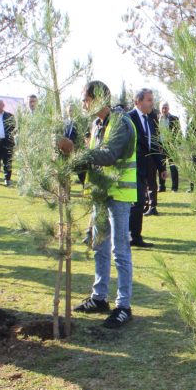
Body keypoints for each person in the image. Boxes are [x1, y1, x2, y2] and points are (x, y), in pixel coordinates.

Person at [60, 81, 138, 329]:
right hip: (100, 195)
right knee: (99, 248)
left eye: (85, 99)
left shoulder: (120, 122)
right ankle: (99, 298)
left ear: (99, 99)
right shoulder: (96, 125)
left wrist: (77, 151)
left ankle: (123, 306)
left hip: (119, 195)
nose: (83, 104)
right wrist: (68, 157)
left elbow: (108, 156)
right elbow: (91, 162)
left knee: (120, 251)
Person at [127, 89, 160, 244]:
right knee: (136, 202)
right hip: (130, 168)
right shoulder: (128, 118)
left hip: (145, 168)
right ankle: (133, 236)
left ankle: (134, 236)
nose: (151, 103)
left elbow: (153, 145)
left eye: (152, 100)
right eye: (148, 100)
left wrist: (162, 168)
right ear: (137, 101)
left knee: (140, 202)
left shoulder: (149, 120)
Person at [157, 102, 181, 192]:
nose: (164, 109)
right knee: (161, 167)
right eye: (163, 108)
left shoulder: (174, 119)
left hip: (171, 146)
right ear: (160, 109)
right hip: (160, 146)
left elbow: (179, 134)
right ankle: (161, 186)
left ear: (169, 108)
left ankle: (174, 188)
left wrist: (176, 145)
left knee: (173, 167)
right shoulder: (156, 119)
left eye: (166, 107)